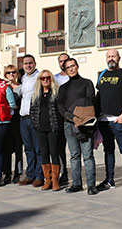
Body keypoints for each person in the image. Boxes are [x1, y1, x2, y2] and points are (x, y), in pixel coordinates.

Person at [95, 49, 122, 193]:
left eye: (114, 56)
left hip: (118, 121)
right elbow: (99, 95)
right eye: (109, 56)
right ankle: (109, 180)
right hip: (103, 121)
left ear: (119, 58)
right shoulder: (102, 75)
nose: (111, 58)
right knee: (108, 151)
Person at [57, 58, 98, 195]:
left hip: (85, 124)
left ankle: (91, 185)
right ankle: (76, 184)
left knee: (88, 155)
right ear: (65, 70)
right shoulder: (63, 88)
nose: (71, 69)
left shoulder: (87, 83)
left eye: (73, 66)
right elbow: (60, 107)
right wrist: (73, 118)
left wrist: (79, 118)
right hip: (69, 123)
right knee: (74, 155)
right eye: (68, 67)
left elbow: (89, 102)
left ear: (77, 66)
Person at [30, 70, 63, 191]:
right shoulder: (36, 94)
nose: (45, 80)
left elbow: (60, 110)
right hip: (40, 128)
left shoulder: (56, 93)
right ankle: (47, 180)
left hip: (53, 127)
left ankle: (55, 181)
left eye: (47, 78)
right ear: (39, 80)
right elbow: (32, 110)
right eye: (43, 78)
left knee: (54, 152)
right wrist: (35, 124)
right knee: (43, 153)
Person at [18, 54, 44, 187]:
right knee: (28, 148)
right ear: (23, 66)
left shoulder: (39, 77)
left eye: (30, 63)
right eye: (26, 64)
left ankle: (40, 176)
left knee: (38, 148)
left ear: (35, 64)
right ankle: (30, 174)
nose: (28, 66)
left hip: (35, 117)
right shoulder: (23, 78)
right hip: (23, 118)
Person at [3, 64, 23, 184]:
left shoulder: (21, 87)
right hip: (6, 120)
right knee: (6, 148)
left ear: (17, 74)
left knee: (18, 147)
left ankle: (18, 172)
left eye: (13, 72)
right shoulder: (2, 87)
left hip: (17, 120)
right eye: (8, 73)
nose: (11, 75)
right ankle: (7, 172)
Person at [54, 52, 70, 185]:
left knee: (75, 149)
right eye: (60, 61)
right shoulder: (54, 79)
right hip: (58, 120)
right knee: (59, 149)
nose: (63, 63)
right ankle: (62, 173)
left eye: (65, 60)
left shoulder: (74, 77)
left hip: (72, 119)